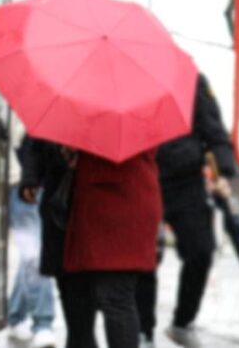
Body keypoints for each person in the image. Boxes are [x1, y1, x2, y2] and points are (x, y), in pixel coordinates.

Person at [137, 73, 236, 348]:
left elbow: (215, 132)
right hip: (143, 177)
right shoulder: (128, 80)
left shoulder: (191, 80)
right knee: (144, 258)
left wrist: (223, 173)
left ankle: (182, 322)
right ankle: (143, 330)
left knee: (201, 251)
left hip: (186, 182)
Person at [60, 149, 163, 348]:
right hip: (126, 201)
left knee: (116, 296)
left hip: (114, 206)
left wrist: (72, 152)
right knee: (114, 296)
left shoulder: (106, 124)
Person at [8, 130, 56, 347]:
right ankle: (43, 322)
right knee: (35, 255)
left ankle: (16, 315)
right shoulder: (20, 107)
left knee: (32, 255)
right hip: (25, 183)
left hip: (41, 183)